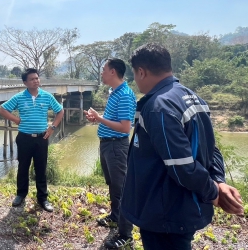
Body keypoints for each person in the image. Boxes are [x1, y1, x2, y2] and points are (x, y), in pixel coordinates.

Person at [120, 43, 244, 250]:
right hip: (180, 209)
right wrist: (218, 180)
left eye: (134, 74)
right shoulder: (194, 98)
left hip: (165, 213)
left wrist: (214, 192)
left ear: (141, 72)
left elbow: (182, 166)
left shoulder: (158, 107)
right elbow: (211, 149)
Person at [83, 58, 136, 249]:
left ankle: (126, 234)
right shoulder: (114, 92)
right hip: (107, 145)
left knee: (121, 188)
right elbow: (113, 120)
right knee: (113, 185)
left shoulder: (125, 94)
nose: (102, 73)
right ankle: (115, 217)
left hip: (116, 146)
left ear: (113, 72)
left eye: (104, 70)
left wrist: (99, 118)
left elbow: (124, 128)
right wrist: (97, 118)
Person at [0, 68, 64, 212]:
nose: (36, 81)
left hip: (42, 138)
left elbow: (60, 111)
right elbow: (2, 109)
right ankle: (21, 194)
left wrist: (52, 127)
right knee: (23, 167)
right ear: (25, 82)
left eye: (37, 78)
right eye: (32, 79)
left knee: (41, 168)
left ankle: (43, 198)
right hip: (24, 138)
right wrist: (16, 119)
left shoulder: (47, 96)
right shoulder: (19, 97)